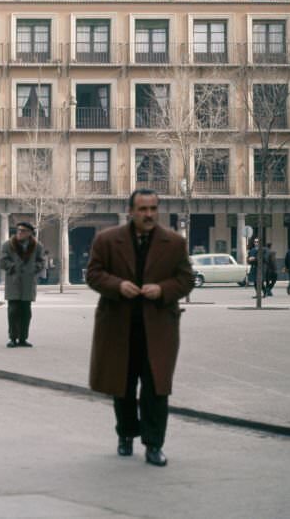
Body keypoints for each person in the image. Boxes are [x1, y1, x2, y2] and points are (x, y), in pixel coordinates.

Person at [86, 188, 194, 467]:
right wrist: (117, 285)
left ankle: (154, 444)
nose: (148, 215)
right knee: (121, 386)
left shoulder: (174, 242)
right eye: (143, 209)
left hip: (158, 329)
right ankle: (125, 435)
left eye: (153, 209)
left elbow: (186, 280)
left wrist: (163, 289)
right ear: (130, 211)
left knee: (157, 389)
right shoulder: (107, 240)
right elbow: (94, 275)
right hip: (118, 326)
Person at [0, 222, 46, 347]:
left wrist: (33, 269)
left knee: (26, 312)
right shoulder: (8, 245)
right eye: (18, 230)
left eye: (23, 230)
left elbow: (42, 261)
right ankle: (13, 338)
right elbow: (2, 261)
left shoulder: (37, 246)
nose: (20, 232)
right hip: (13, 282)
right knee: (13, 311)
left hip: (28, 282)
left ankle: (23, 338)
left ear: (30, 233)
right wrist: (13, 267)